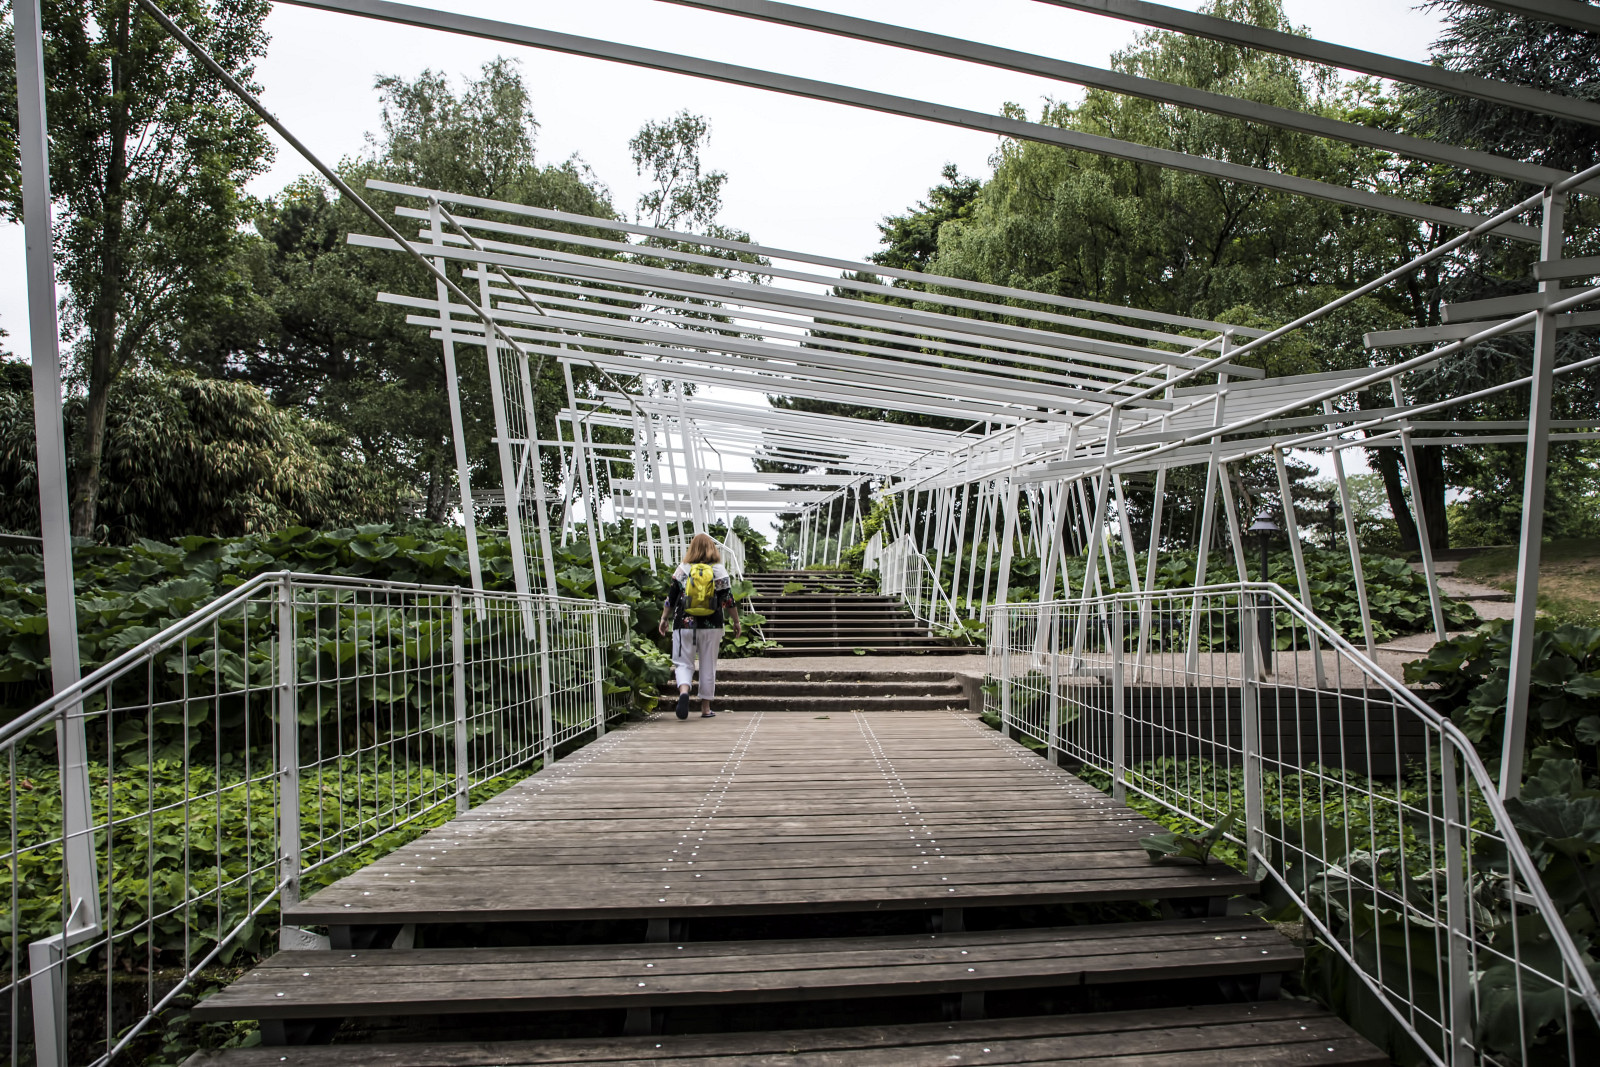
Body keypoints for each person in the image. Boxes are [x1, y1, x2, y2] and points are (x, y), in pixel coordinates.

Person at [658, 533, 742, 720]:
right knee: (708, 664)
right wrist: (736, 621)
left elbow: (671, 597)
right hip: (712, 624)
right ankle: (705, 708)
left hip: (684, 623)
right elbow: (728, 600)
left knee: (683, 662)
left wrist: (664, 618)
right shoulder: (718, 570)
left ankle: (684, 692)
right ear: (712, 549)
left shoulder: (683, 568)